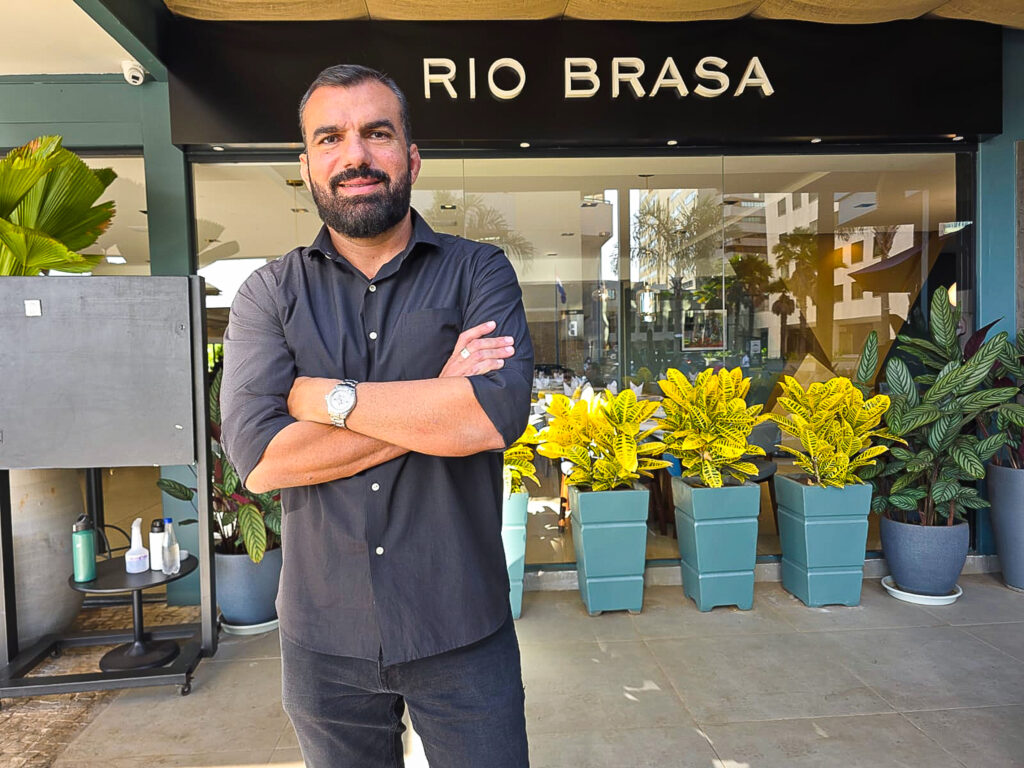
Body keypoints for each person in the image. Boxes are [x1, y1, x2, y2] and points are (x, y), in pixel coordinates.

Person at [219, 64, 533, 768]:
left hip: (461, 625)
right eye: (330, 138)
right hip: (323, 639)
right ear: (306, 166)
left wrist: (324, 400)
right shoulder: (269, 294)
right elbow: (262, 462)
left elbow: (489, 419)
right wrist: (434, 400)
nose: (355, 154)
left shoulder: (479, 272)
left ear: (412, 158)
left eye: (377, 133)